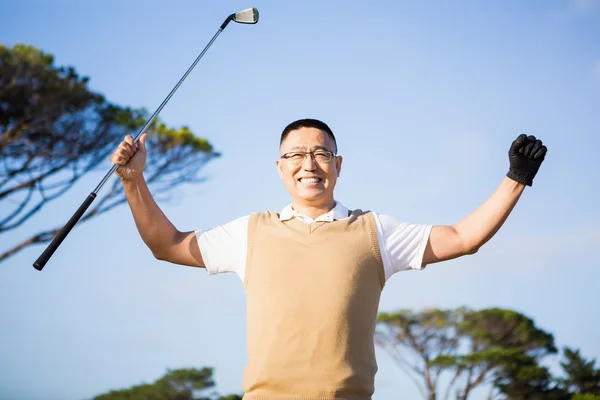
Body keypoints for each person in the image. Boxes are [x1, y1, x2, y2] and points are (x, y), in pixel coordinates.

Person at [110, 118, 547, 399]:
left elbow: (463, 237)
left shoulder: (375, 230)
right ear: (279, 167)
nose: (309, 163)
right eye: (296, 155)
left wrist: (516, 179)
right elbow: (165, 244)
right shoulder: (250, 231)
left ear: (338, 165)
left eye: (320, 153)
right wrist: (133, 180)